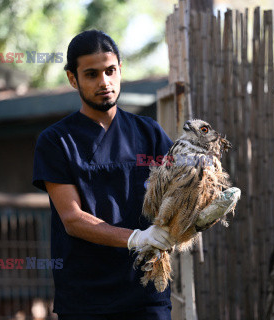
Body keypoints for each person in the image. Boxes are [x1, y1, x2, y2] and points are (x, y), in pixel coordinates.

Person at [32, 29, 176, 320]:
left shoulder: (149, 133)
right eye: (91, 74)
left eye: (110, 71)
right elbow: (72, 220)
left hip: (147, 293)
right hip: (86, 298)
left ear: (120, 69)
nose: (104, 82)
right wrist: (137, 238)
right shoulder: (57, 141)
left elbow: (179, 193)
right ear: (73, 79)